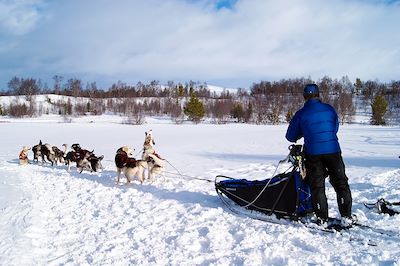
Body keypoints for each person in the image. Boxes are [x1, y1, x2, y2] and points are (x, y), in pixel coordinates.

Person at [285, 83, 354, 226]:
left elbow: (290, 136)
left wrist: (304, 132)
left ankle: (322, 218)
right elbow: (334, 128)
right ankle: (346, 215)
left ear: (305, 97)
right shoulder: (329, 109)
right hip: (333, 150)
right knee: (341, 184)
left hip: (314, 153)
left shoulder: (301, 113)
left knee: (317, 186)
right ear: (318, 95)